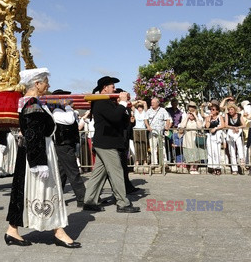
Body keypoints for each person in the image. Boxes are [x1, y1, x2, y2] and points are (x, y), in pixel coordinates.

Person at [6, 67, 81, 248]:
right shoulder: (32, 105)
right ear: (37, 84)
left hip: (38, 150)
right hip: (38, 152)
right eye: (46, 81)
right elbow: (33, 134)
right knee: (47, 189)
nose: (48, 85)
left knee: (24, 191)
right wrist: (39, 163)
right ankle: (58, 231)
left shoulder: (34, 103)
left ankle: (13, 230)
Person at [83, 76, 140, 213]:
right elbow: (114, 116)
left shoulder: (106, 101)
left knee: (98, 174)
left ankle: (90, 201)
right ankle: (122, 203)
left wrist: (126, 112)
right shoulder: (102, 102)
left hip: (106, 142)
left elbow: (118, 119)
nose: (114, 89)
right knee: (117, 172)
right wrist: (122, 103)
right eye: (112, 86)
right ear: (105, 88)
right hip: (106, 143)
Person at [51, 89, 86, 208]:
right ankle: (82, 199)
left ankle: (56, 198)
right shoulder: (56, 111)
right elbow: (70, 120)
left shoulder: (62, 110)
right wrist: (69, 108)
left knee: (62, 173)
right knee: (73, 172)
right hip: (63, 145)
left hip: (66, 144)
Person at [179, 101, 205, 174]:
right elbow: (182, 126)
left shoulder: (197, 119)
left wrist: (195, 116)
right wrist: (187, 117)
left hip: (195, 138)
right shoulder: (186, 118)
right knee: (189, 154)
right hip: (187, 138)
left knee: (196, 153)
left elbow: (200, 127)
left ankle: (195, 168)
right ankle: (191, 168)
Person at [145, 98, 171, 165]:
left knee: (162, 147)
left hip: (160, 132)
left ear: (158, 103)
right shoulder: (149, 111)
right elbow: (145, 119)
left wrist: (167, 126)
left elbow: (168, 119)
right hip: (152, 132)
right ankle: (154, 162)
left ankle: (164, 162)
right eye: (151, 102)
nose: (152, 103)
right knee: (153, 147)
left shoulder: (163, 110)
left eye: (154, 102)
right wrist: (148, 126)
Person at [224, 103, 246, 174]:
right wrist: (233, 127)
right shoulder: (227, 115)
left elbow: (244, 124)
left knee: (239, 146)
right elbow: (226, 124)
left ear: (235, 109)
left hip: (238, 133)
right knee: (231, 151)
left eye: (231, 109)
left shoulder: (239, 115)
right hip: (230, 133)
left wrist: (238, 128)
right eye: (229, 110)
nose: (230, 111)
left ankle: (242, 161)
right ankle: (234, 169)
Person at [205, 103, 225, 175]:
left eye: (213, 110)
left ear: (217, 111)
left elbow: (223, 125)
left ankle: (218, 167)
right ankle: (212, 167)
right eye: (211, 109)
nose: (211, 111)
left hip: (217, 136)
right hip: (210, 136)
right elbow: (207, 126)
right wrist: (209, 119)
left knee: (217, 152)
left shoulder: (219, 117)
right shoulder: (208, 117)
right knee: (210, 152)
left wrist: (216, 128)